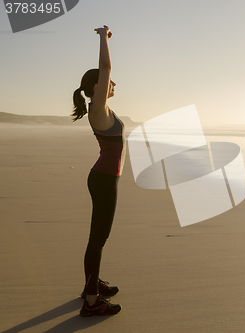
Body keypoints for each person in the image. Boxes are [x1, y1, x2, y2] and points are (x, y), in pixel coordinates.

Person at [72, 25, 125, 317]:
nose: (113, 82)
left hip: (104, 178)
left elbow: (105, 72)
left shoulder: (101, 109)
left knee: (98, 237)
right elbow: (105, 66)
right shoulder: (98, 109)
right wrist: (103, 38)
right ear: (97, 87)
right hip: (104, 180)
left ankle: (92, 286)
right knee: (98, 238)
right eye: (107, 82)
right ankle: (91, 301)